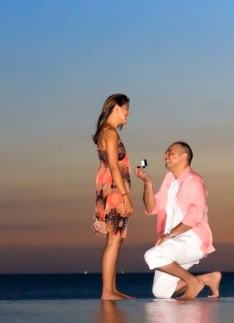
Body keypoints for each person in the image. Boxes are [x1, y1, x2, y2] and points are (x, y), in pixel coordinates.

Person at [135, 141, 221, 299]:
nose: (165, 156)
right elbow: (151, 209)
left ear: (184, 156)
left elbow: (196, 215)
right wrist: (147, 184)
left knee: (152, 255)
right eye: (166, 153)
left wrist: (169, 235)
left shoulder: (194, 180)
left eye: (170, 153)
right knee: (160, 292)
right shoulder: (169, 182)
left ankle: (192, 282)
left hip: (192, 240)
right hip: (175, 243)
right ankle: (208, 279)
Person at [92, 94, 134, 300]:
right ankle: (108, 291)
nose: (128, 113)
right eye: (126, 108)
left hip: (111, 190)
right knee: (113, 241)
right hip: (114, 192)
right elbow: (114, 167)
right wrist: (126, 196)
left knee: (116, 240)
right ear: (116, 107)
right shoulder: (110, 133)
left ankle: (112, 289)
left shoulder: (108, 132)